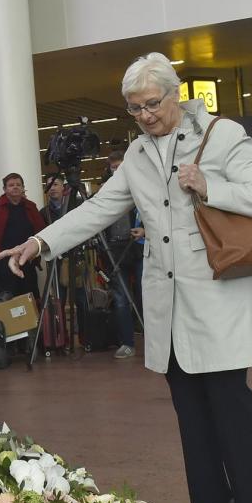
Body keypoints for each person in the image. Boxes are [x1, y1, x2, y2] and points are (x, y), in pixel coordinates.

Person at [0, 52, 252, 503]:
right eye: (135, 108)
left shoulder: (223, 134)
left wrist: (211, 186)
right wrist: (39, 241)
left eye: (152, 104)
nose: (145, 115)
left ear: (176, 95)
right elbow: (98, 209)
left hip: (218, 296)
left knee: (231, 407)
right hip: (168, 304)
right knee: (190, 413)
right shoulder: (136, 153)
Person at [101, 151, 145, 359]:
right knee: (120, 299)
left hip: (140, 247)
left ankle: (157, 341)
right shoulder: (105, 192)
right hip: (114, 250)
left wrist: (145, 230)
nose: (117, 171)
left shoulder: (143, 187)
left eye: (120, 166)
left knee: (148, 295)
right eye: (113, 168)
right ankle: (127, 342)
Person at [0, 172, 47, 301]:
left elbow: (41, 231)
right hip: (4, 263)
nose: (15, 187)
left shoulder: (31, 207)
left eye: (18, 184)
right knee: (9, 300)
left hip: (28, 260)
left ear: (23, 188)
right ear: (4, 189)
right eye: (11, 185)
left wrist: (35, 253)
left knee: (31, 297)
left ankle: (34, 321)